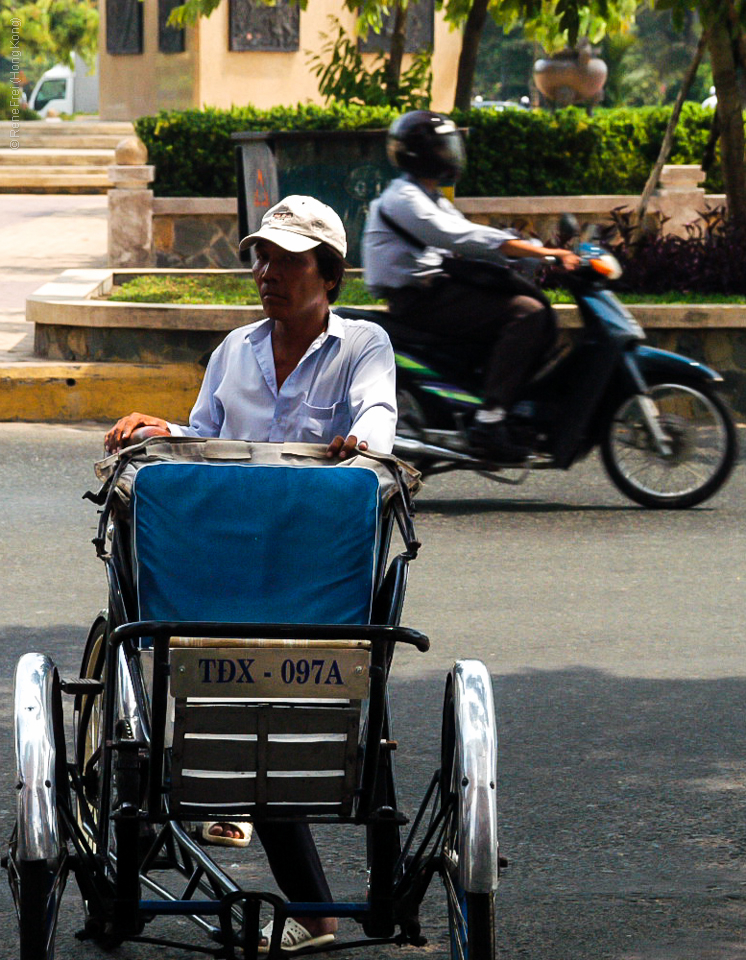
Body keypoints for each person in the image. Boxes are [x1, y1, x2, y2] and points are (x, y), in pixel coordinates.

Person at [106, 195, 398, 953]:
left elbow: (378, 420)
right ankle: (271, 881)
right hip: (224, 564)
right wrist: (161, 428)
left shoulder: (363, 344)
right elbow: (205, 435)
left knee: (259, 724)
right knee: (228, 710)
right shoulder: (235, 349)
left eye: (287, 260)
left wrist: (357, 444)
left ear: (326, 273)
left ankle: (316, 914)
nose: (267, 273)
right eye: (261, 257)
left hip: (309, 575)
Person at [363, 109, 580, 461]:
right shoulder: (404, 199)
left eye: (451, 147)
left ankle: (498, 403)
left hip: (435, 292)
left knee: (517, 305)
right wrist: (547, 254)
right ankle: (489, 420)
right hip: (418, 300)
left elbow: (474, 238)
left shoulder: (429, 197)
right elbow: (464, 237)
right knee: (527, 315)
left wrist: (536, 254)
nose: (450, 155)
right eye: (442, 148)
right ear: (422, 154)